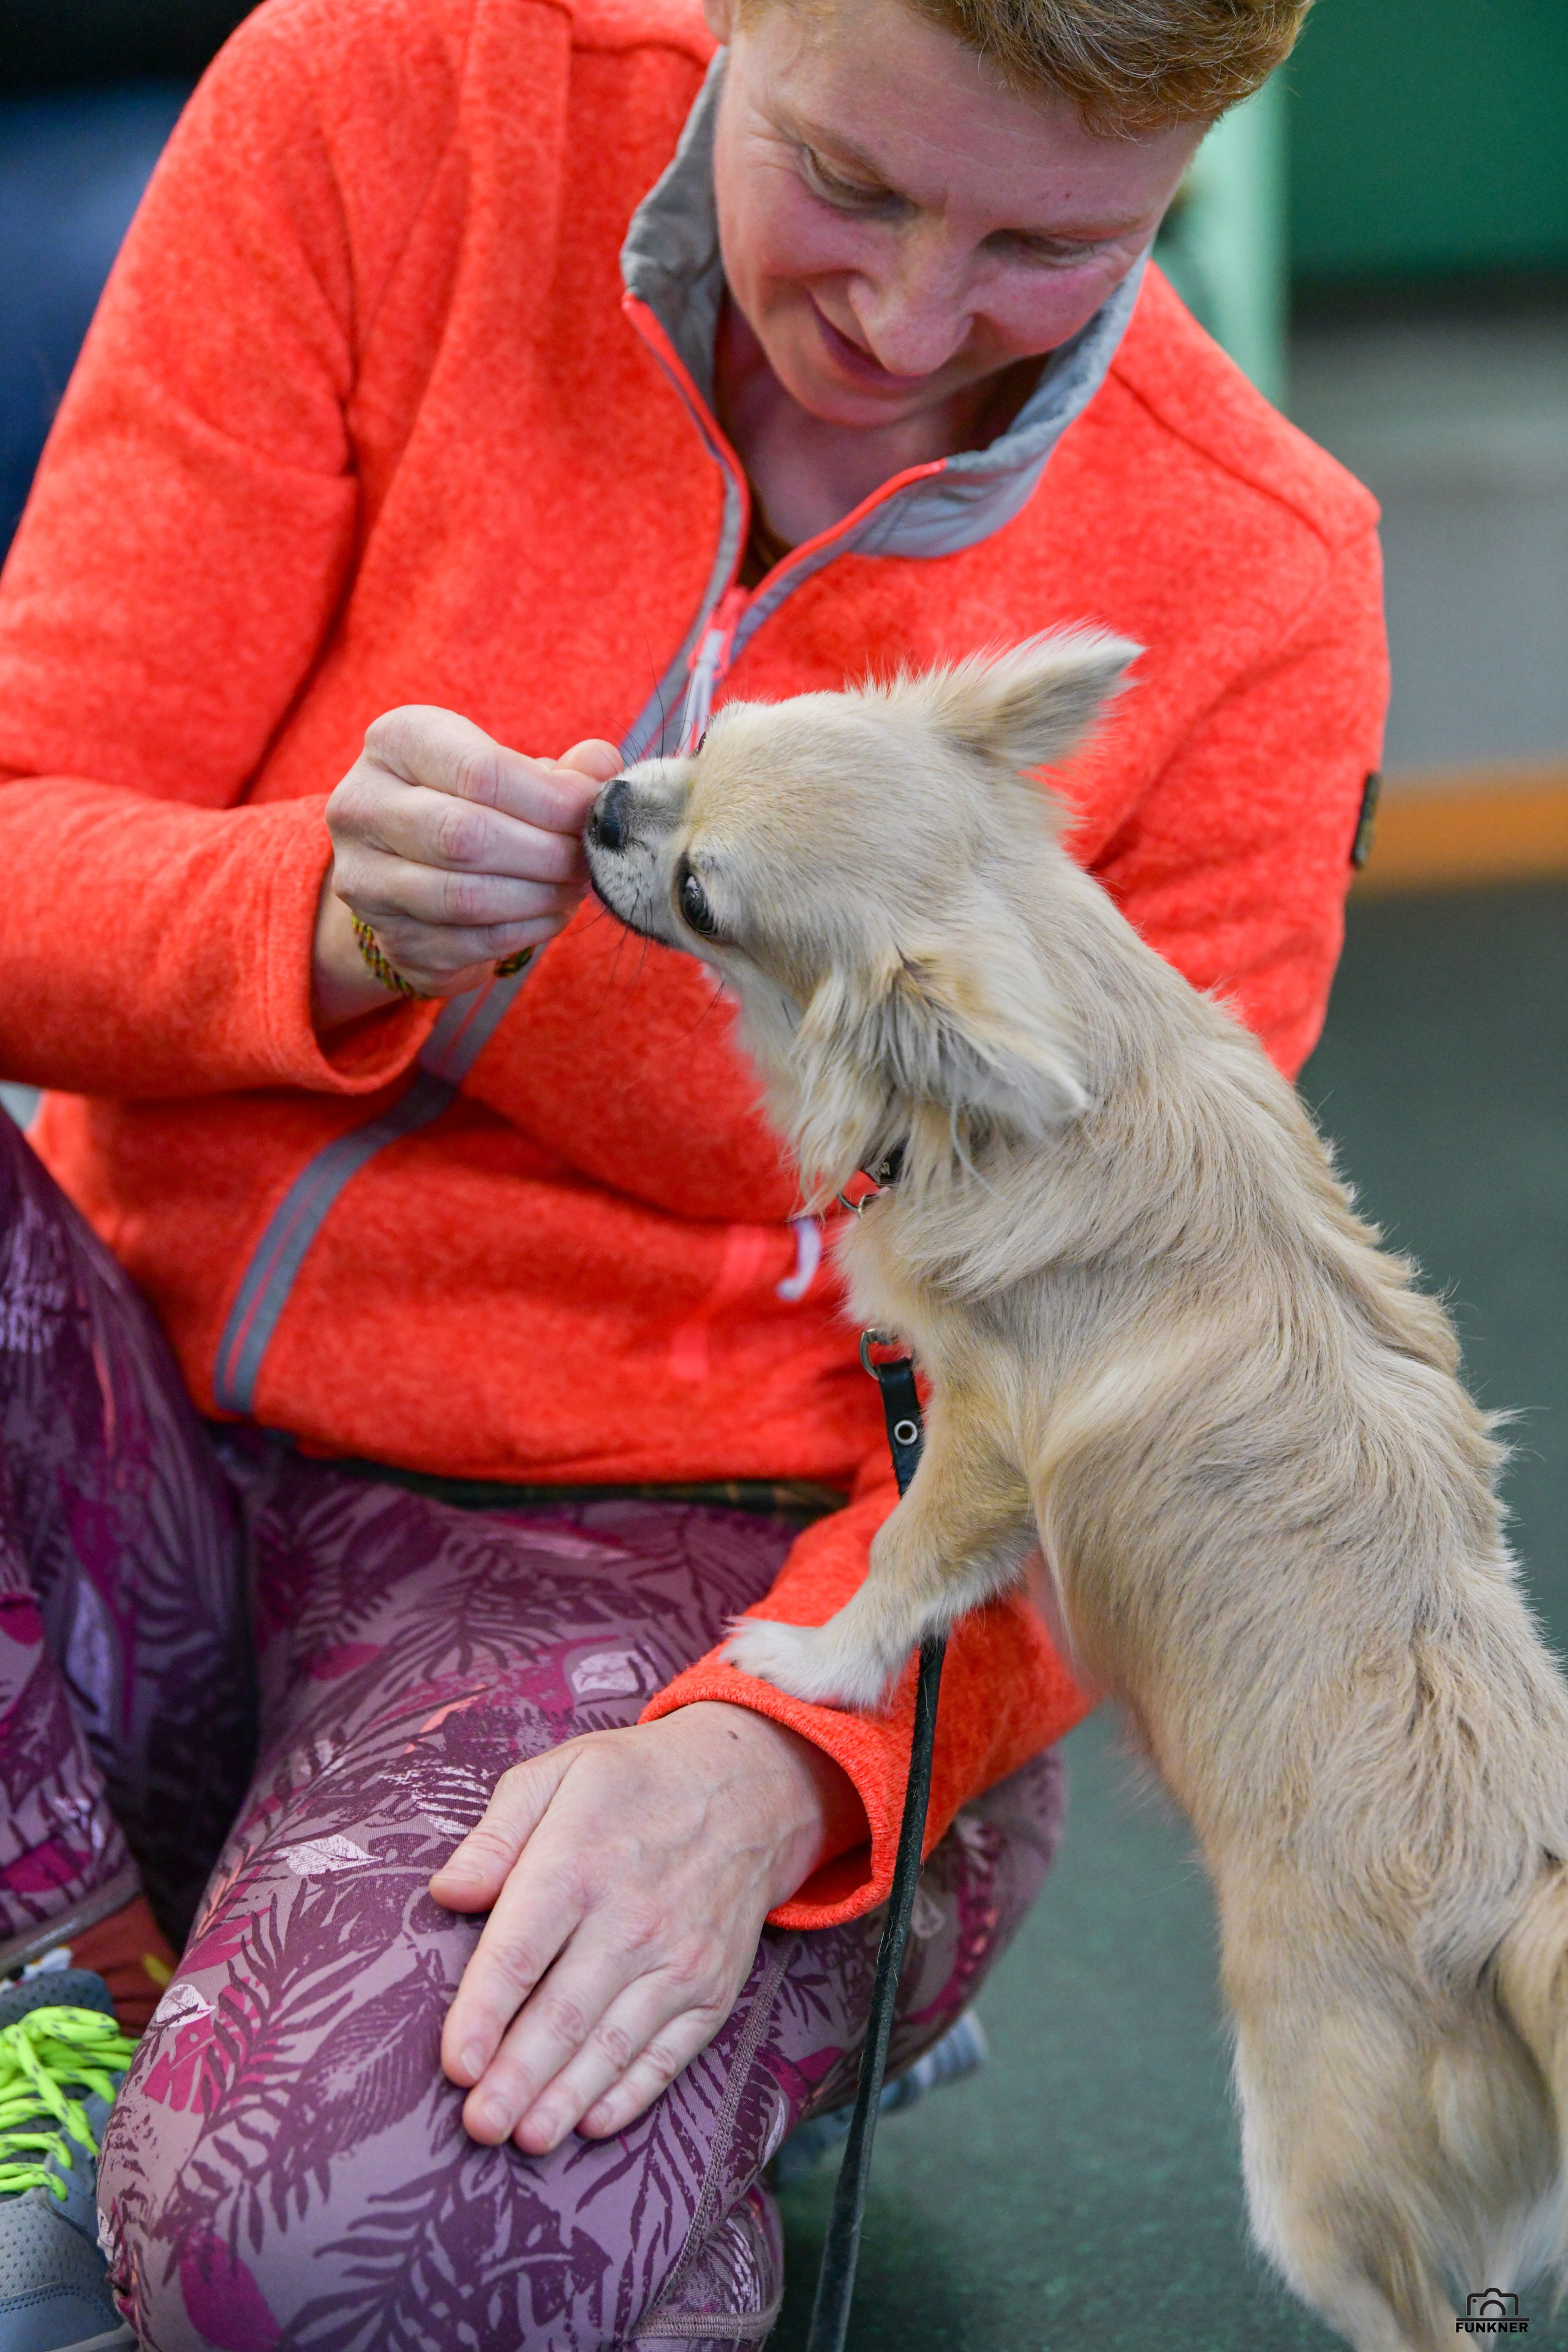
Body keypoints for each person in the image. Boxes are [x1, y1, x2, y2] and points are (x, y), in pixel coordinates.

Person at [0, 0, 1386, 2337]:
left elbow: (1150, 1396)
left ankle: (666, 2012)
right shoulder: (380, 106)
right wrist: (307, 920)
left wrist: (791, 1765)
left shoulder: (1253, 590)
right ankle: (76, 1987)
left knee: (327, 2253)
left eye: (1057, 243)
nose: (908, 320)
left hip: (686, 1580)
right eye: (849, 182)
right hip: (138, 1454)